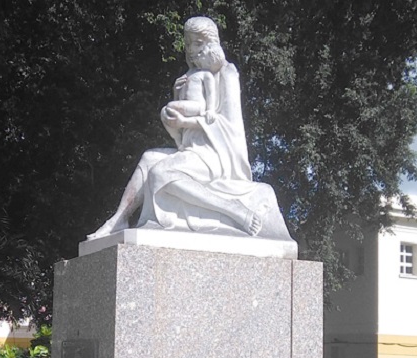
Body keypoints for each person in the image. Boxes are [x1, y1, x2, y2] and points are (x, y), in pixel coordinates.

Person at [87, 17, 281, 240]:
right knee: (149, 158)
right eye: (188, 44)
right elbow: (184, 126)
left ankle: (235, 209)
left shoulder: (227, 74)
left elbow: (230, 125)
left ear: (211, 44)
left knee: (161, 173)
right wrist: (175, 101)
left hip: (215, 156)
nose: (191, 50)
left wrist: (187, 121)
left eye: (197, 44)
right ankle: (119, 219)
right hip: (191, 151)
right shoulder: (190, 77)